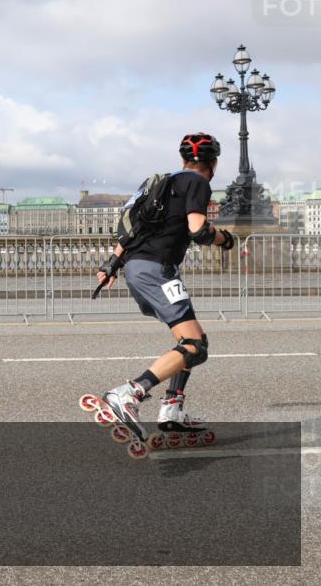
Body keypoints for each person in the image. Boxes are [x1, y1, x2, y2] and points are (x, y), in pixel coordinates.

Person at [95, 133, 235, 441]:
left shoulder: (161, 182)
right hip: (157, 269)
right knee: (194, 346)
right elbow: (198, 230)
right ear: (212, 163)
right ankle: (129, 393)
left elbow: (135, 229)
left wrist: (111, 264)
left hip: (137, 266)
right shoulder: (197, 183)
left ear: (182, 160)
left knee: (194, 341)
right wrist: (225, 239)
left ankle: (172, 408)